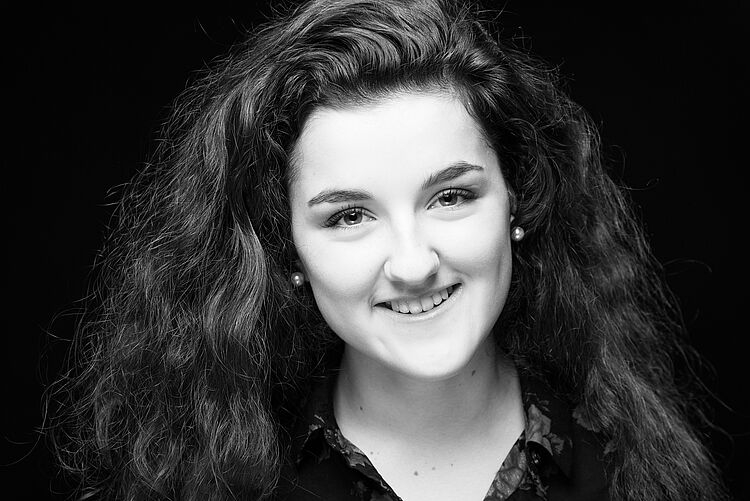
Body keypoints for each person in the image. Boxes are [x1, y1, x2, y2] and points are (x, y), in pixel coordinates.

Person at [48, 0, 729, 500]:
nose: (412, 264)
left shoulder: (634, 471)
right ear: (287, 250)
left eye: (450, 197)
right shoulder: (215, 484)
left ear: (517, 202)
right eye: (350, 216)